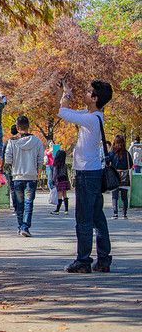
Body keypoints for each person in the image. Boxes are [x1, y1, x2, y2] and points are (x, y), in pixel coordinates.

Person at [56, 79, 113, 273]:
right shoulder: (93, 116)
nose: (86, 93)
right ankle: (104, 259)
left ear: (95, 98)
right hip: (94, 172)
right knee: (98, 218)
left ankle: (83, 261)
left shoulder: (90, 119)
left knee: (84, 219)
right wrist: (63, 94)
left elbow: (63, 112)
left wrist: (68, 93)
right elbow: (63, 111)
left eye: (89, 92)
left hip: (86, 173)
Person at [4, 116, 45, 237]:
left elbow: (8, 158)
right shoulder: (36, 141)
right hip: (31, 176)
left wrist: (13, 168)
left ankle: (20, 225)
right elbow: (40, 158)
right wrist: (37, 172)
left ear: (17, 127)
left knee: (19, 204)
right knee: (29, 203)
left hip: (17, 176)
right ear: (28, 126)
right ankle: (25, 227)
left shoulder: (12, 141)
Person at [107, 135, 134, 219]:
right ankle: (124, 214)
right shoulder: (126, 153)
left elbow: (108, 163)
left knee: (114, 196)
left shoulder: (111, 152)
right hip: (124, 177)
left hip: (115, 176)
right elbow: (131, 165)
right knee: (124, 196)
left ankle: (115, 213)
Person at [1, 124, 19, 212]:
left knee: (12, 188)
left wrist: (1, 168)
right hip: (21, 167)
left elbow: (3, 156)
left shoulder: (8, 142)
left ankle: (15, 206)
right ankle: (21, 205)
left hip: (11, 168)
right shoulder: (22, 141)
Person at [50, 150, 70, 215]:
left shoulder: (56, 165)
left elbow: (55, 174)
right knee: (65, 195)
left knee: (59, 195)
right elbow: (66, 174)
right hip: (65, 180)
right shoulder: (65, 165)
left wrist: (53, 181)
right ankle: (66, 210)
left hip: (59, 180)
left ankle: (57, 209)